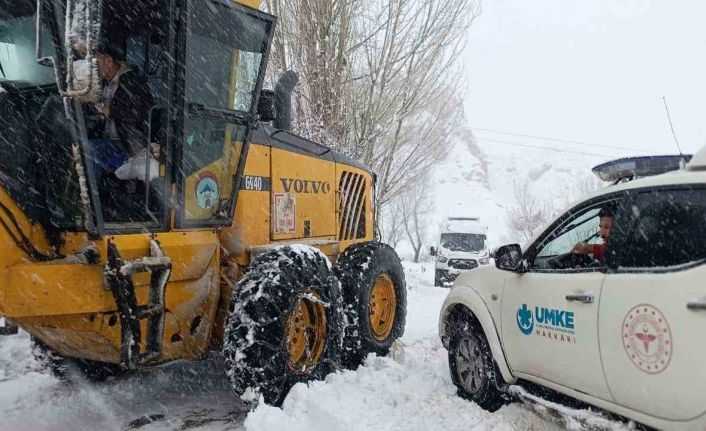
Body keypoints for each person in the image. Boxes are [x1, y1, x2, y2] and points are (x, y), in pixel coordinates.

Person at [92, 37, 157, 182]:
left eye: (96, 63)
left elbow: (138, 114)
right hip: (111, 141)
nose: (93, 68)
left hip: (128, 145)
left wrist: (110, 111)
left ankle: (88, 199)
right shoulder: (105, 84)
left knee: (90, 150)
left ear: (109, 61)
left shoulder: (133, 82)